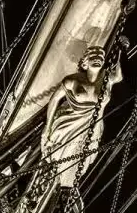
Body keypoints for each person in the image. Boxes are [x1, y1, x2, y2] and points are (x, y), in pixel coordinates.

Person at [40, 45, 123, 187]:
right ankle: (51, 180)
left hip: (92, 125)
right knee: (59, 155)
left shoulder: (107, 78)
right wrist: (47, 127)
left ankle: (62, 186)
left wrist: (120, 50)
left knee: (79, 158)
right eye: (93, 57)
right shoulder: (72, 80)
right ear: (85, 62)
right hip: (68, 125)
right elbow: (54, 100)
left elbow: (119, 75)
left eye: (101, 57)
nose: (97, 59)